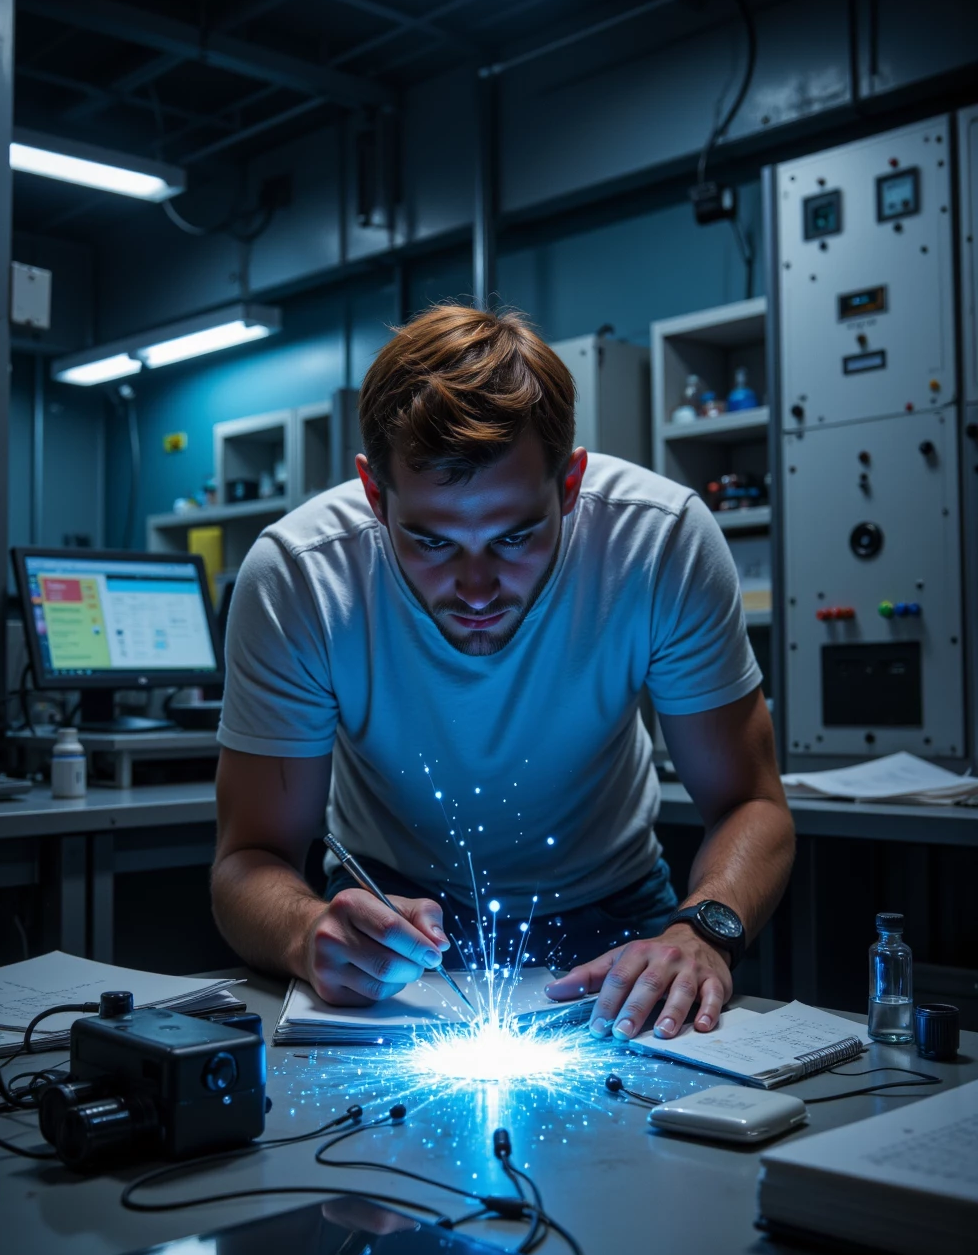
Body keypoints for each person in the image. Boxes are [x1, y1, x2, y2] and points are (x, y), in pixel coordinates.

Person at [213, 305, 794, 1042]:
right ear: (374, 494)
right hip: (388, 926)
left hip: (619, 920)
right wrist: (306, 932)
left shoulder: (660, 541)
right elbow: (246, 862)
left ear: (571, 485)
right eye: (430, 541)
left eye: (515, 536)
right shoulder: (300, 577)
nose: (478, 587)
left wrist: (703, 931)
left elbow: (752, 803)